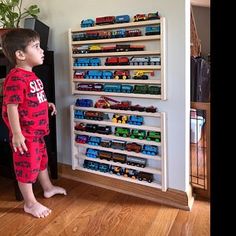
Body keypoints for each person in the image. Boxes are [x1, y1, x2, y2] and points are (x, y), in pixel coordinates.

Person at [1, 28, 66, 218]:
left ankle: (47, 187)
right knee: (26, 167)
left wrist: (46, 104)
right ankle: (29, 203)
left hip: (37, 133)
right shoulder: (15, 77)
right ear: (20, 54)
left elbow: (30, 100)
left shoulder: (31, 75)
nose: (42, 50)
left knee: (41, 161)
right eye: (36, 47)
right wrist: (17, 133)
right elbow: (11, 106)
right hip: (25, 136)